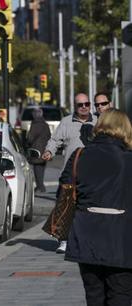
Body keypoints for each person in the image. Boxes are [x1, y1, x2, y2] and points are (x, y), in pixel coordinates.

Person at [65, 109, 132, 306]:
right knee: (121, 295)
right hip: (123, 238)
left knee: (94, 295)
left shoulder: (79, 156)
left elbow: (65, 193)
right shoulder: (128, 159)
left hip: (86, 236)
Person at [42, 93, 97, 254]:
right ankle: (64, 240)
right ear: (75, 106)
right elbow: (55, 140)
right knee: (66, 206)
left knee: (88, 208)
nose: (84, 107)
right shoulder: (66, 122)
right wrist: (49, 151)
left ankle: (86, 239)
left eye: (87, 104)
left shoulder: (97, 122)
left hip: (92, 174)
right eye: (80, 105)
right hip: (70, 173)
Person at [26, 107, 51, 193]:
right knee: (41, 169)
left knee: (37, 169)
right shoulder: (45, 125)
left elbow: (30, 138)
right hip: (44, 150)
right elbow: (49, 137)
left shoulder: (34, 125)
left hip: (36, 150)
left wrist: (27, 143)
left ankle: (41, 186)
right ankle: (39, 186)